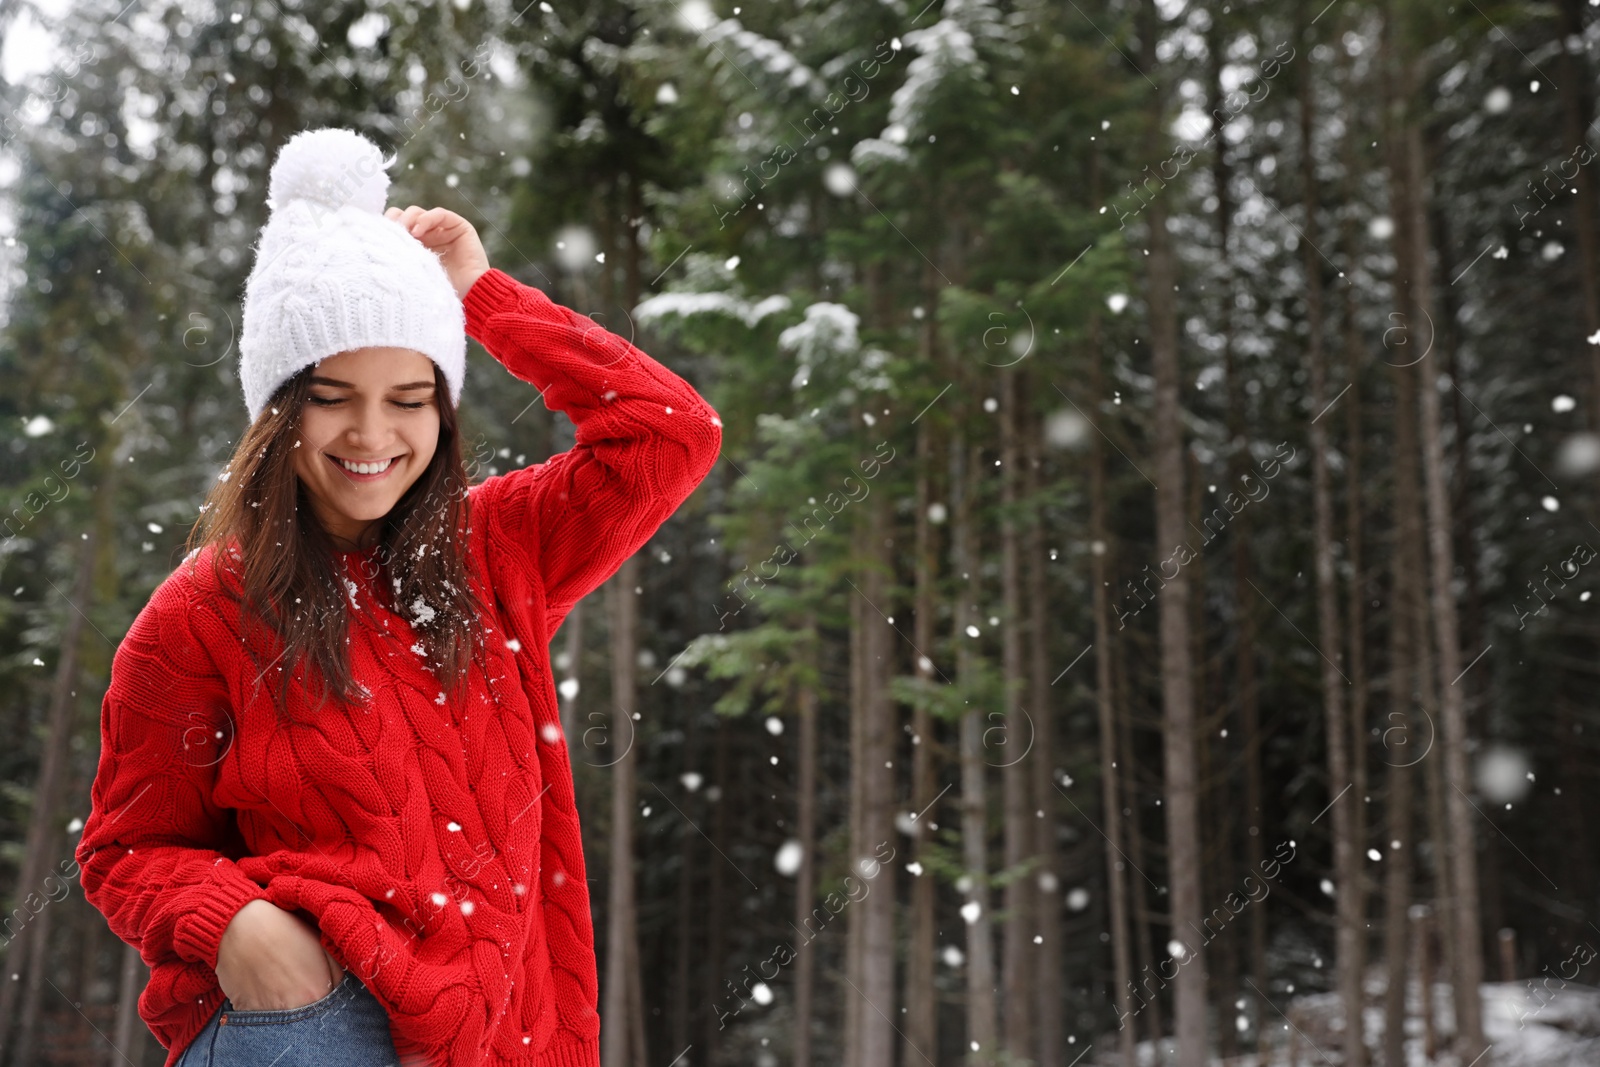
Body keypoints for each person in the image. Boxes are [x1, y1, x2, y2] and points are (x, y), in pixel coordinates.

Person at [73, 127, 722, 1067]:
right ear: (278, 412)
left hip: (509, 1043)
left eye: (410, 395)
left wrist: (480, 296)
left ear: (444, 409)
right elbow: (124, 850)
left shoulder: (497, 550)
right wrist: (240, 927)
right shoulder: (204, 609)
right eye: (333, 394)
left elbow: (670, 434)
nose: (372, 432)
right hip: (315, 1024)